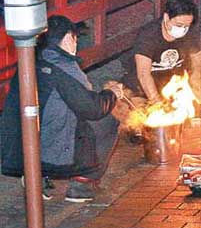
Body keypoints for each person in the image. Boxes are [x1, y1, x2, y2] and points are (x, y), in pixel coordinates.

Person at [1, 15, 123, 203]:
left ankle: (36, 178)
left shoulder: (29, 59)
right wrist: (112, 93)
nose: (76, 44)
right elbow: (92, 109)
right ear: (68, 38)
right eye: (76, 38)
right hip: (54, 157)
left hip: (22, 154)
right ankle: (82, 183)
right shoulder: (64, 66)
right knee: (108, 121)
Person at [122, 0, 201, 104]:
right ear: (166, 17)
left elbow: (197, 55)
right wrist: (156, 102)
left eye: (187, 26)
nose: (183, 29)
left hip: (173, 84)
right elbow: (143, 74)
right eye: (179, 25)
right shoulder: (149, 35)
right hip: (143, 87)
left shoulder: (190, 32)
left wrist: (196, 75)